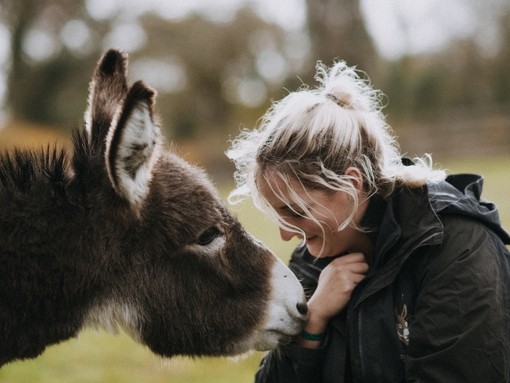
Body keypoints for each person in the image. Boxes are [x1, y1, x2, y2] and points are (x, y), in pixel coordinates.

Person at [226, 60, 510, 382]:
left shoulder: (456, 246)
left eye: (297, 212)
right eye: (278, 214)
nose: (285, 233)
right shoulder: (316, 259)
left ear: (351, 184)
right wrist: (313, 318)